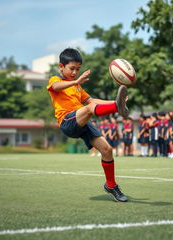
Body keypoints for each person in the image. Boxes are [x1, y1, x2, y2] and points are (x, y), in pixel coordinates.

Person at [47, 48, 128, 202]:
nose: (75, 72)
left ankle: (111, 185)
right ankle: (117, 108)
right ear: (61, 67)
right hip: (67, 122)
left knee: (107, 150)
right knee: (89, 110)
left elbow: (92, 101)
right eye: (72, 68)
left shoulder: (77, 87)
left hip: (82, 120)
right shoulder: (55, 80)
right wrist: (76, 81)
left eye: (78, 69)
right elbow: (56, 87)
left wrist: (116, 101)